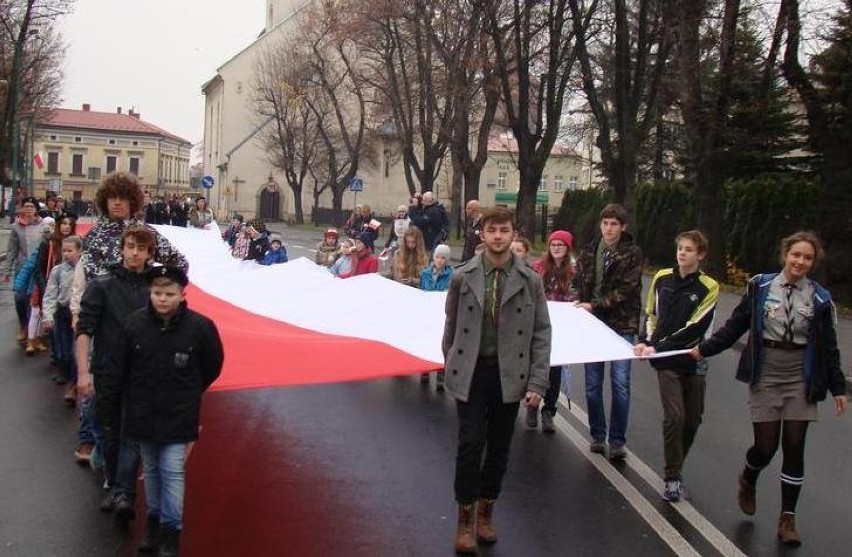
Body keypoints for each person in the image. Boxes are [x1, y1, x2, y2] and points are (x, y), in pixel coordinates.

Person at [692, 231, 847, 546]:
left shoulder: (820, 298)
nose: (800, 262)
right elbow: (737, 324)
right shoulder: (760, 286)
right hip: (766, 371)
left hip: (799, 375)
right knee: (765, 446)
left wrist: (838, 387)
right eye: (796, 255)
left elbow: (829, 347)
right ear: (785, 255)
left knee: (794, 446)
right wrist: (705, 348)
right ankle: (748, 478)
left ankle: (787, 518)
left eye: (807, 258)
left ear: (813, 263)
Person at [443, 206, 551, 554]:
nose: (498, 236)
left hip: (509, 375)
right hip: (472, 372)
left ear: (513, 234)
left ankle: (487, 512)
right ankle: (464, 519)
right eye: (492, 230)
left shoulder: (530, 280)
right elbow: (451, 326)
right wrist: (452, 364)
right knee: (470, 444)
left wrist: (537, 383)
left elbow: (541, 333)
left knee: (500, 448)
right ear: (482, 234)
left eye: (504, 230)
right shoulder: (463, 276)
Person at [102, 265, 223, 556]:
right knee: (152, 470)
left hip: (179, 412)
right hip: (142, 410)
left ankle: (171, 531)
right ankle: (153, 524)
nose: (162, 299)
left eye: (169, 293)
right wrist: (110, 407)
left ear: (182, 294)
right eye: (157, 292)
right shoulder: (134, 325)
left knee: (172, 470)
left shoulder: (200, 327)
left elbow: (212, 365)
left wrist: (190, 390)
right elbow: (118, 368)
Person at [76, 226, 157, 525]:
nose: (135, 253)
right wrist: (83, 372)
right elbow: (85, 329)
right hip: (107, 370)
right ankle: (114, 483)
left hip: (141, 374)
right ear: (122, 247)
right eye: (131, 246)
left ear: (150, 253)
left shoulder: (155, 288)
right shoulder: (102, 284)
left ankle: (124, 493)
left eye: (142, 248)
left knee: (132, 434)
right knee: (109, 432)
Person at [633, 230, 719, 502]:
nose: (682, 253)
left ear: (700, 254)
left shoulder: (709, 287)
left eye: (689, 250)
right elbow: (651, 314)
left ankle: (677, 467)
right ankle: (672, 477)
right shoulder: (661, 279)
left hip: (693, 358)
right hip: (665, 360)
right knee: (675, 416)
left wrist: (660, 345)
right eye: (680, 248)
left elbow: (696, 327)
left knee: (693, 419)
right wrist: (647, 341)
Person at [575, 203, 642, 460]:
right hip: (592, 324)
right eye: (605, 223)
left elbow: (627, 290)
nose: (609, 228)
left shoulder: (632, 253)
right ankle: (598, 435)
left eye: (614, 224)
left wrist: (595, 304)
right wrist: (577, 300)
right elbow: (580, 281)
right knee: (592, 385)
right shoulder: (590, 249)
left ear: (622, 227)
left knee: (620, 383)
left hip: (622, 323)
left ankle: (617, 441)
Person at [528, 230, 578, 433]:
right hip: (539, 323)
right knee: (536, 365)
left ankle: (549, 409)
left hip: (561, 327)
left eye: (561, 245)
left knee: (555, 370)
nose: (556, 248)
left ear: (567, 248)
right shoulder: (539, 268)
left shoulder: (574, 272)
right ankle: (531, 404)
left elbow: (577, 294)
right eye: (553, 244)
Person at [41, 235, 84, 405]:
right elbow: (50, 294)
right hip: (62, 313)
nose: (66, 254)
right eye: (64, 250)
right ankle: (65, 372)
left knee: (75, 352)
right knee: (62, 351)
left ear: (80, 251)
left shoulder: (85, 269)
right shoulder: (57, 270)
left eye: (70, 250)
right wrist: (48, 315)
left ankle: (73, 386)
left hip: (79, 315)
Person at [1, 196, 43, 343]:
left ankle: (35, 331)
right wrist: (6, 272)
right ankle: (23, 325)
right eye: (26, 206)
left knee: (35, 299)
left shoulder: (43, 226)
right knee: (19, 297)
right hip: (22, 267)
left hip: (38, 269)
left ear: (36, 209)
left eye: (32, 206)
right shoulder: (16, 226)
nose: (29, 209)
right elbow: (12, 250)